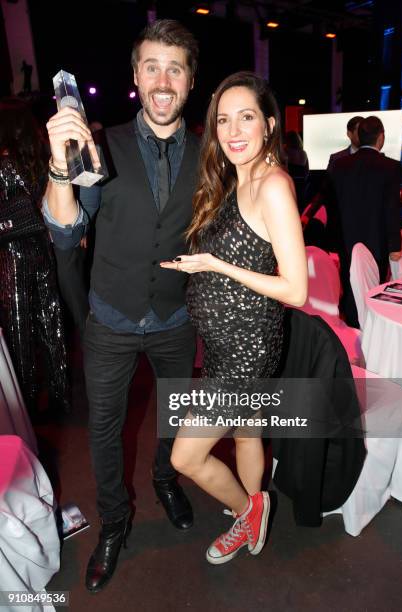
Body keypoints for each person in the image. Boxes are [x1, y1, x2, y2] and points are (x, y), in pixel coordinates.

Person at [43, 20, 200, 592]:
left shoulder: (210, 153)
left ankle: (165, 477)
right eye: (152, 67)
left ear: (189, 81)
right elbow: (66, 231)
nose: (163, 80)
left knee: (175, 413)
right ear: (136, 76)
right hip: (109, 318)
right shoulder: (100, 145)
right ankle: (114, 522)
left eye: (175, 68)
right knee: (105, 432)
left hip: (176, 318)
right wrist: (61, 166)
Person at [161, 72, 308, 565]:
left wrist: (216, 266)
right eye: (223, 119)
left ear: (269, 124)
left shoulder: (273, 186)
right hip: (229, 343)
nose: (233, 130)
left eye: (246, 117)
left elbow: (296, 289)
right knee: (247, 432)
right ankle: (255, 504)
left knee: (186, 457)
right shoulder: (235, 179)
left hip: (245, 354)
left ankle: (248, 510)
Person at [0, 98, 69, 416]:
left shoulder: (4, 164)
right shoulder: (41, 161)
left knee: (19, 326)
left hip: (12, 252)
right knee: (50, 321)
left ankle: (26, 401)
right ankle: (59, 393)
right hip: (42, 246)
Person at [329, 115, 402, 326]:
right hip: (375, 239)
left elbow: (332, 206)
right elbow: (391, 209)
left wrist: (333, 242)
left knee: (350, 284)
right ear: (381, 138)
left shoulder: (340, 165)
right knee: (374, 288)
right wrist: (394, 246)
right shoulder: (390, 167)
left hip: (346, 239)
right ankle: (371, 330)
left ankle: (354, 329)